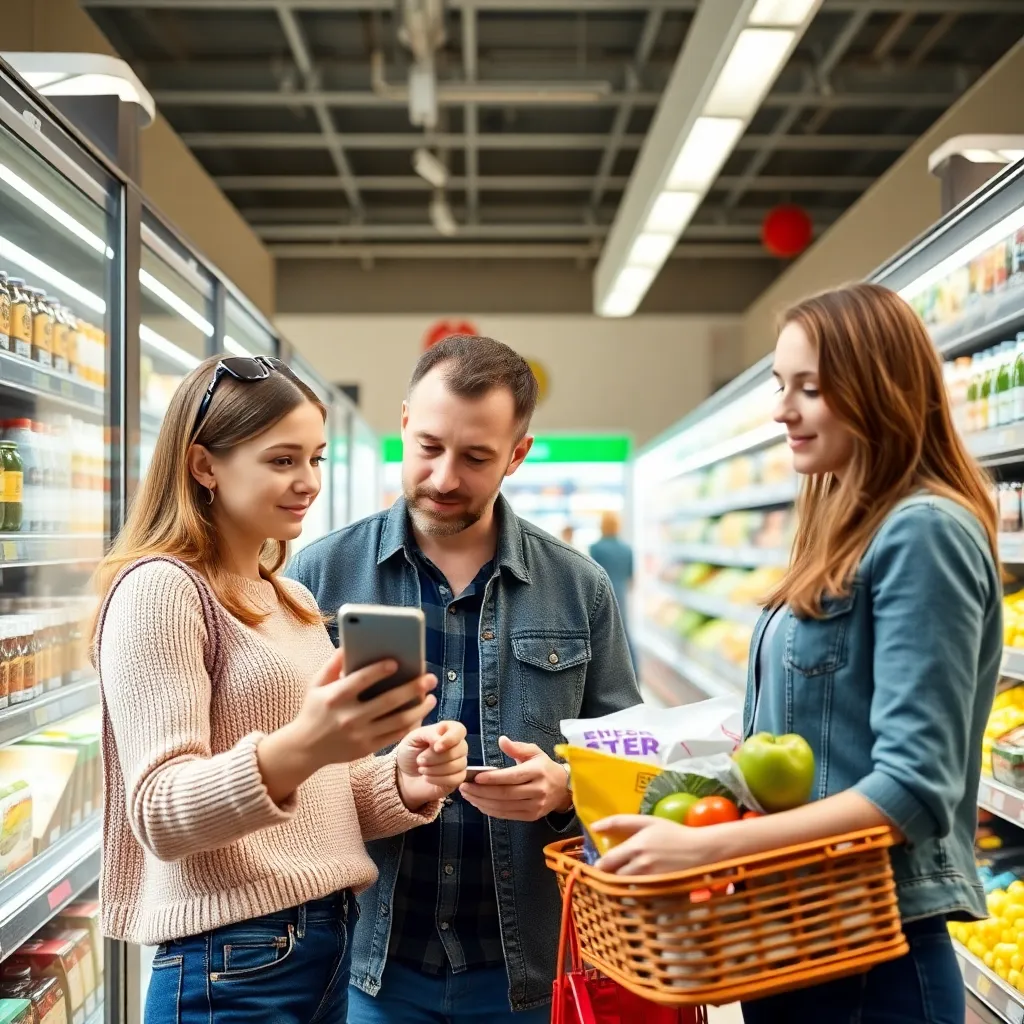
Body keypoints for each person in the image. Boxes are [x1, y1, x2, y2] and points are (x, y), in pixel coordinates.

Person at [592, 284, 1001, 1024]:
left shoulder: (923, 533)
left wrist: (714, 851)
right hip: (797, 938)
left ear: (879, 387)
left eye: (809, 389)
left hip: (875, 957)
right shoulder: (837, 532)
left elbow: (912, 789)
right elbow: (785, 751)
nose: (783, 410)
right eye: (783, 387)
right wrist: (591, 784)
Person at [93, 354, 469, 1024]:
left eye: (316, 460)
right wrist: (305, 741)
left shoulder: (288, 598)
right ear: (204, 466)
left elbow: (328, 794)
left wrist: (406, 781)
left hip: (324, 942)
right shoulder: (161, 590)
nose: (307, 483)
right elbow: (158, 811)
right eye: (282, 460)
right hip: (229, 963)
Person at [287, 334, 641, 1021]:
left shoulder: (579, 588)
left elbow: (631, 765)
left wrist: (567, 788)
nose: (445, 477)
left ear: (517, 454)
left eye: (477, 457)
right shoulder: (320, 576)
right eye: (428, 447)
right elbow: (279, 763)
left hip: (525, 970)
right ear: (403, 425)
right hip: (365, 961)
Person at [588, 511, 637, 671]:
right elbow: (631, 578)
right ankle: (633, 672)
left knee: (602, 635)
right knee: (624, 633)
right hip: (621, 593)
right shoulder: (627, 549)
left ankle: (608, 673)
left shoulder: (596, 548)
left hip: (601, 594)